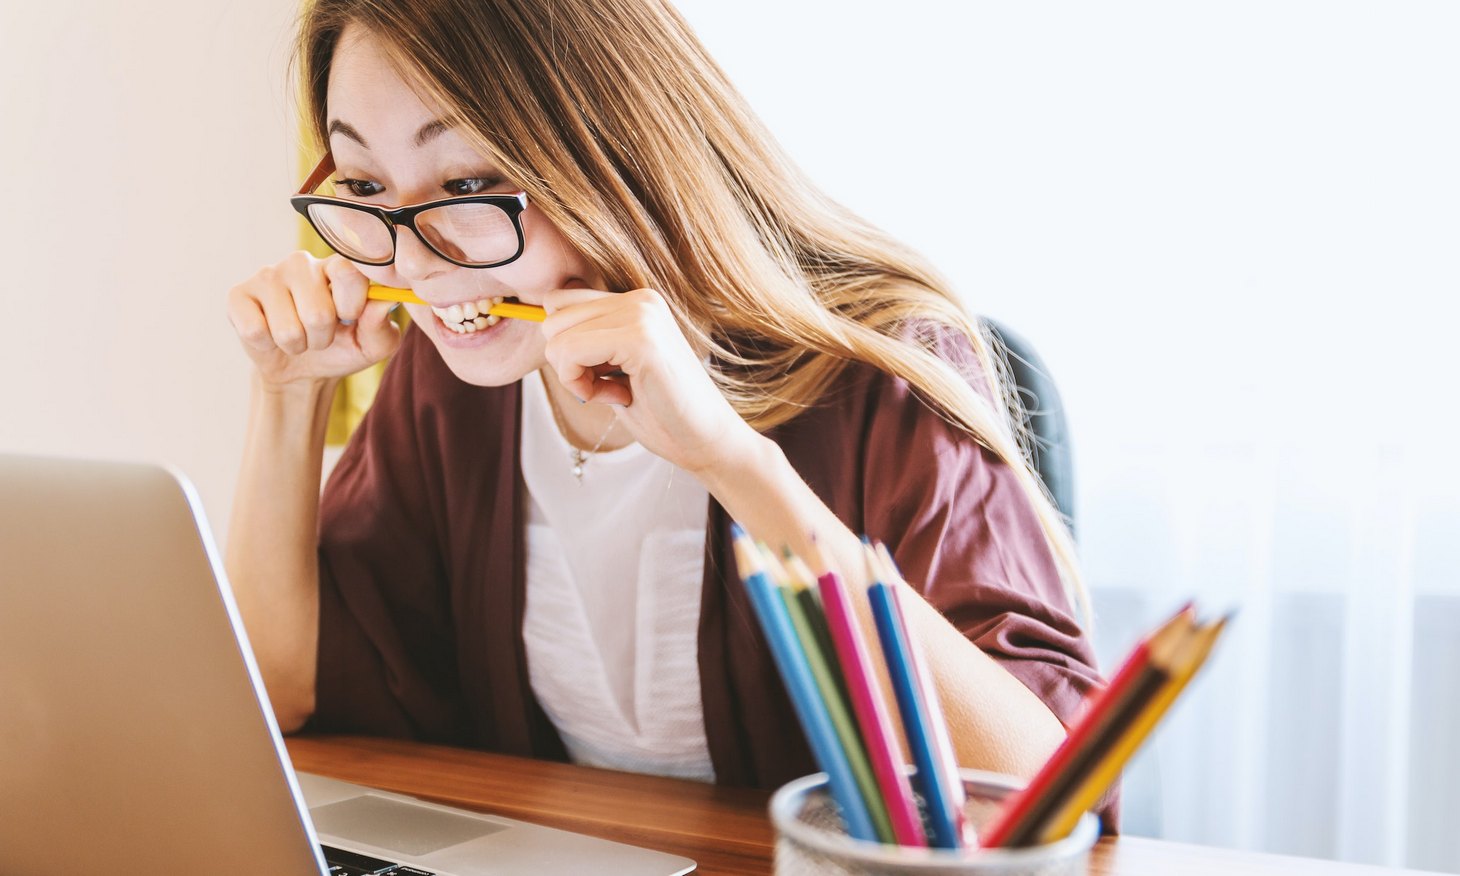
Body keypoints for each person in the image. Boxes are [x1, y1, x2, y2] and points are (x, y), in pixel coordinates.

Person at [225, 0, 1110, 819]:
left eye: (466, 185)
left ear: (612, 152)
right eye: (368, 188)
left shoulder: (880, 370)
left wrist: (732, 460)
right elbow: (277, 690)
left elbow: (1041, 795)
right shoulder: (451, 384)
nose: (416, 265)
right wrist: (289, 394)